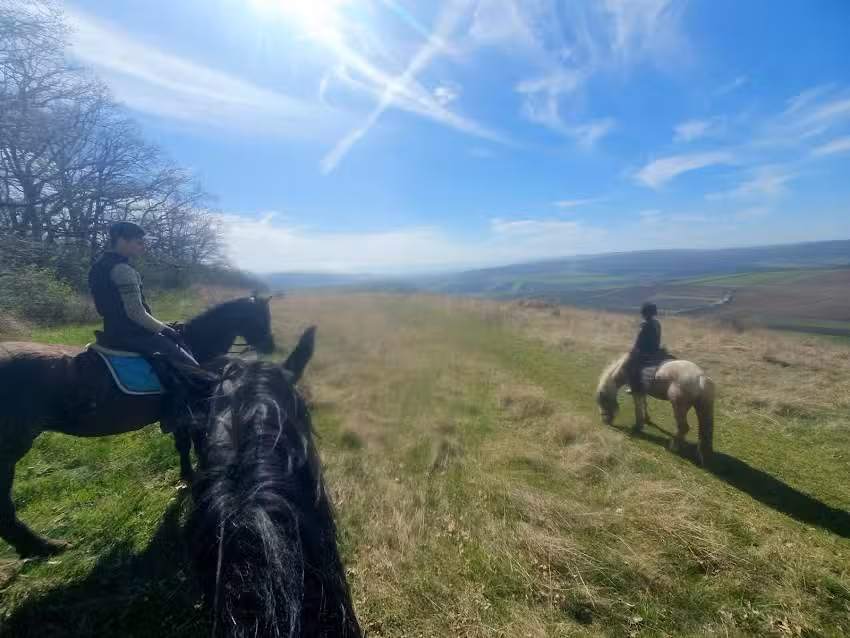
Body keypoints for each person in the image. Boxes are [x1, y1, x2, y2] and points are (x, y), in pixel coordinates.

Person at [88, 221, 198, 369]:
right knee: (193, 369)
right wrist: (166, 330)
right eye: (138, 243)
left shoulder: (98, 265)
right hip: (132, 336)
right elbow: (136, 313)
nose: (143, 247)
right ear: (122, 240)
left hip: (112, 331)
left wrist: (163, 325)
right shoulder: (123, 271)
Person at [626, 302, 662, 394]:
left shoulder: (644, 324)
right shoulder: (657, 323)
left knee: (629, 364)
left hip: (645, 352)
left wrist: (633, 351)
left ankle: (633, 386)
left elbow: (639, 340)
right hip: (657, 351)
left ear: (645, 312)